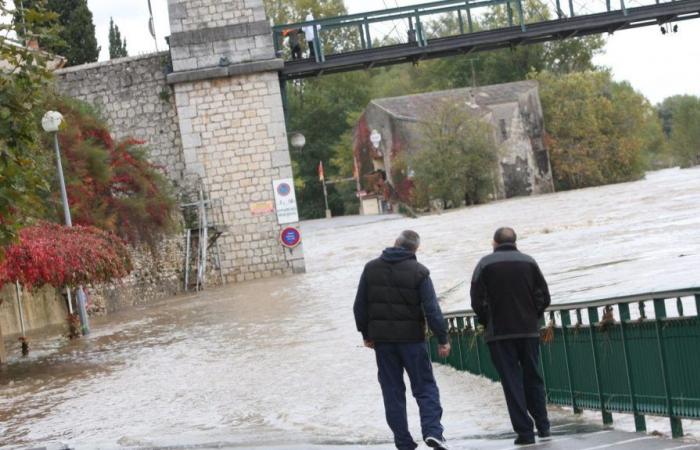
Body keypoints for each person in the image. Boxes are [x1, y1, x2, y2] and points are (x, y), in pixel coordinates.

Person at [354, 230, 450, 450]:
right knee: (425, 387)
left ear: (395, 243)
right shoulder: (419, 272)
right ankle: (433, 432)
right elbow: (432, 309)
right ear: (415, 250)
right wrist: (442, 339)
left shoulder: (370, 269)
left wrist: (366, 335)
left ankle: (403, 441)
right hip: (412, 341)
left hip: (383, 344)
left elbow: (359, 307)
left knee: (392, 390)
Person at [470, 227, 551, 445]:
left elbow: (476, 300)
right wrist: (534, 316)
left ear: (494, 242)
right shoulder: (529, 262)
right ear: (514, 241)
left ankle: (525, 432)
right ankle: (544, 427)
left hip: (499, 333)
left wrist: (487, 319)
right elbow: (544, 295)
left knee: (512, 381)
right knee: (533, 376)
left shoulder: (484, 264)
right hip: (528, 330)